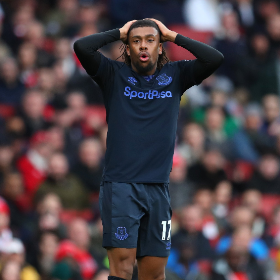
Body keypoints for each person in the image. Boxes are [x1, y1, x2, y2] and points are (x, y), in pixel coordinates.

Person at [74, 18, 223, 280]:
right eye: (136, 41)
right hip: (121, 186)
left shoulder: (176, 75)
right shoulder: (113, 74)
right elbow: (82, 47)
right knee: (122, 267)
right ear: (128, 48)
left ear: (160, 47)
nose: (143, 45)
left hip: (158, 188)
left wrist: (172, 35)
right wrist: (119, 32)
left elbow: (214, 58)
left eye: (151, 40)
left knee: (154, 273)